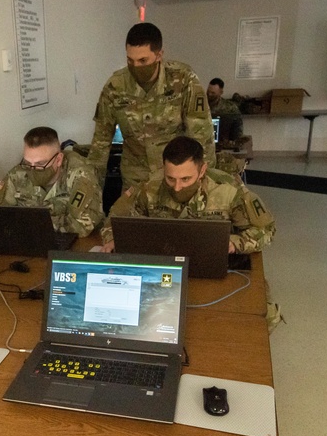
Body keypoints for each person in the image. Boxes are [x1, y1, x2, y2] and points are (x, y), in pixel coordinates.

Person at [100, 137, 282, 329]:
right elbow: (113, 220)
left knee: (258, 318)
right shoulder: (149, 187)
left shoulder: (228, 190)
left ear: (202, 170)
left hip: (212, 267)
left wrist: (235, 242)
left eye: (186, 179)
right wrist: (113, 239)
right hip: (162, 269)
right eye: (170, 178)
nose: (177, 187)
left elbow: (266, 229)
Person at [86, 23, 215, 196]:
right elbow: (99, 146)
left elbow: (202, 137)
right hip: (135, 179)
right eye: (130, 61)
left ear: (159, 55)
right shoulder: (115, 87)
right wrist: (91, 192)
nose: (136, 67)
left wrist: (206, 186)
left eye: (143, 61)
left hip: (175, 176)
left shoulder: (183, 79)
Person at [0, 126, 102, 249]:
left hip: (74, 248)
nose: (32, 169)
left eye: (39, 164)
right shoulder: (19, 172)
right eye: (28, 162)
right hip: (28, 244)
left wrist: (27, 223)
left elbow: (81, 226)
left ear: (58, 159)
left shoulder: (82, 175)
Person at [207, 78, 244, 148]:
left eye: (213, 93)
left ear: (221, 92)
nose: (209, 94)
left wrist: (235, 142)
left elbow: (238, 126)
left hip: (223, 144)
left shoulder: (230, 108)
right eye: (208, 91)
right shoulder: (200, 104)